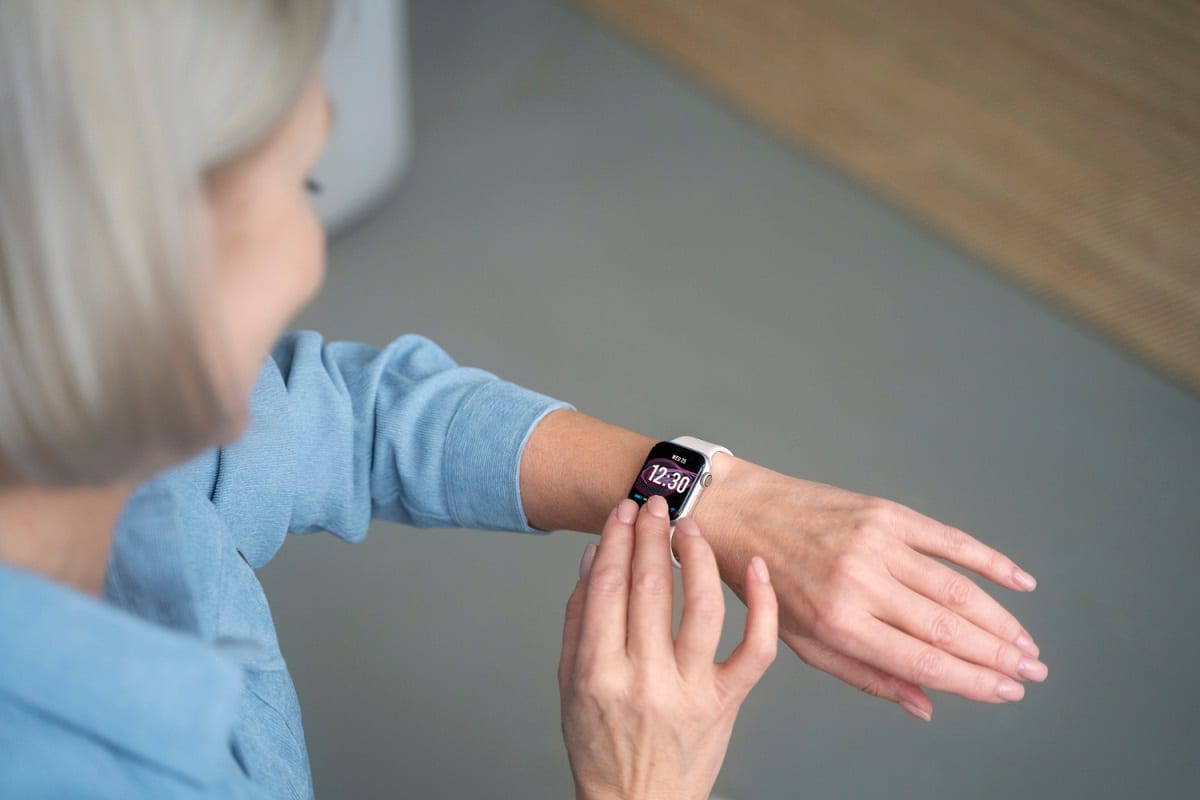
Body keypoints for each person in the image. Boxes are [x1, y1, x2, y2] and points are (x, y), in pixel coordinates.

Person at [0, 2, 1047, 798]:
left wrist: (701, 493)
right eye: (301, 187)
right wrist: (639, 780)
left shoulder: (126, 442)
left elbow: (347, 418)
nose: (312, 247)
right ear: (152, 275)